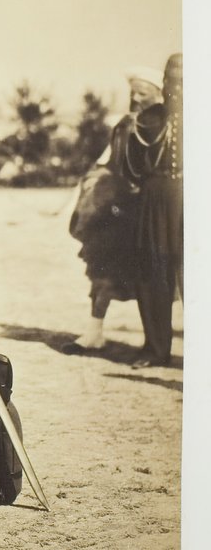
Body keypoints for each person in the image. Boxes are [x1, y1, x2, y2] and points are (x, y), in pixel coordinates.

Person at [63, 67, 163, 354]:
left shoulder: (163, 125)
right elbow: (108, 160)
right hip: (117, 210)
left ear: (157, 94)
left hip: (149, 209)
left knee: (157, 275)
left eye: (142, 92)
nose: (135, 97)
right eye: (133, 91)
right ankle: (94, 332)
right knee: (101, 269)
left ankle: (158, 341)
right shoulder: (123, 125)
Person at [122, 53, 182, 369]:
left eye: (185, 80)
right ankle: (156, 349)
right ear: (164, 83)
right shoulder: (148, 119)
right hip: (155, 201)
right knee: (152, 273)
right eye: (172, 79)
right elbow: (130, 166)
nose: (178, 87)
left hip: (195, 200)